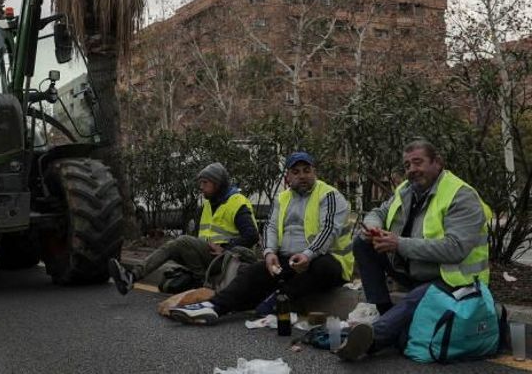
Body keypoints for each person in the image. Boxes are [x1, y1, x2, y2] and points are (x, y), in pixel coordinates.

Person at [336, 139, 491, 361]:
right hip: (415, 269)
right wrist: (373, 227)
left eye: (418, 162)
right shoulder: (407, 190)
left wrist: (399, 244)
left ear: (437, 162)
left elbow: (455, 249)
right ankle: (384, 310)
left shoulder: (461, 195)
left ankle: (372, 340)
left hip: (453, 278)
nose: (411, 170)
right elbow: (378, 212)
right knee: (362, 242)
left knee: (416, 299)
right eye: (407, 165)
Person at [169, 151, 354, 324]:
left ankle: (277, 301)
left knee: (320, 267)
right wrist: (269, 252)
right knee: (254, 272)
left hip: (328, 260)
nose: (302, 176)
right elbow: (270, 228)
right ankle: (213, 307)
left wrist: (307, 255)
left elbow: (329, 230)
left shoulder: (329, 195)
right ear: (288, 177)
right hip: (291, 261)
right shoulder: (282, 198)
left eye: (307, 170)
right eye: (296, 172)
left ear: (315, 172)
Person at [108, 162, 259, 295]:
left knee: (182, 241)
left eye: (205, 183)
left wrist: (226, 248)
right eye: (200, 183)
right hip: (210, 257)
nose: (201, 187)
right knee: (172, 246)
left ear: (217, 183)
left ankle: (202, 282)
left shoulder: (237, 202)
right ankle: (131, 277)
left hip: (229, 260)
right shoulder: (208, 204)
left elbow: (252, 236)